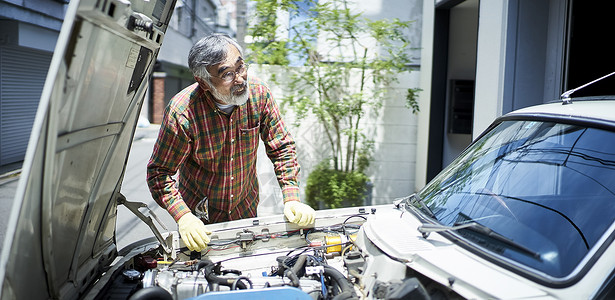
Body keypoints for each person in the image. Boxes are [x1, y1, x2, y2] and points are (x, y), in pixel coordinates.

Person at [146, 33, 315, 252]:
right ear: (203, 82)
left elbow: (281, 147)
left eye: (241, 67)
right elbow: (159, 173)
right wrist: (184, 217)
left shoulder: (259, 95)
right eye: (227, 74)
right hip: (200, 219)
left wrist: (291, 196)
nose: (240, 79)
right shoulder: (182, 112)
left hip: (245, 209)